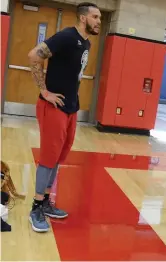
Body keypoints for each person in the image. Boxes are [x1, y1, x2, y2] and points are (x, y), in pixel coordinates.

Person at [27, 2, 101, 233]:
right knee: (49, 157)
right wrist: (44, 91)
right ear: (82, 18)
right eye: (95, 17)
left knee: (59, 156)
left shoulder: (86, 42)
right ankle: (36, 207)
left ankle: (47, 200)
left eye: (99, 17)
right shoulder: (67, 37)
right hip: (54, 107)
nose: (99, 21)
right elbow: (33, 56)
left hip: (70, 107)